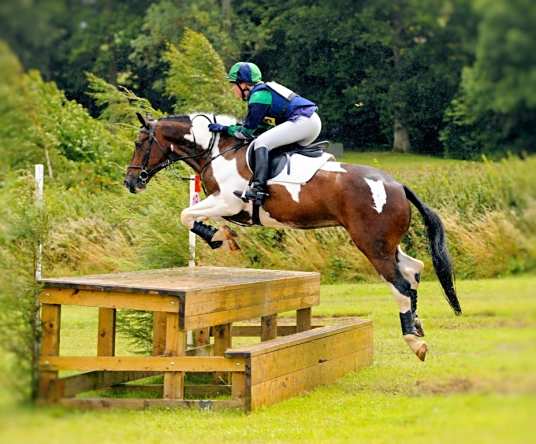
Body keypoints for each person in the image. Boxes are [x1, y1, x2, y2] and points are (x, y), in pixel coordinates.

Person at [208, 62, 321, 205]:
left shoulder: (259, 96)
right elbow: (260, 127)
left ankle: (259, 189)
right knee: (272, 147)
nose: (232, 89)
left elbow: (246, 133)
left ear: (243, 84)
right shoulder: (263, 92)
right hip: (309, 122)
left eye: (233, 84)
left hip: (303, 121)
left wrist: (224, 129)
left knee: (261, 142)